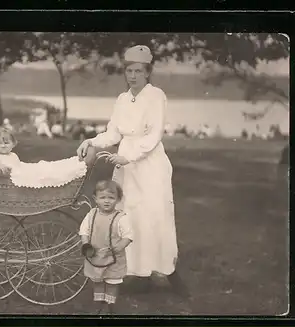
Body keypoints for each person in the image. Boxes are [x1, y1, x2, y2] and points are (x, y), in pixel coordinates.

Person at [76, 45, 188, 296]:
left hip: (149, 164)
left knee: (154, 216)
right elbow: (114, 132)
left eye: (138, 70)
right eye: (129, 70)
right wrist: (92, 141)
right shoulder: (123, 99)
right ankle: (138, 272)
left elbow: (154, 135)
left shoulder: (156, 96)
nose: (133, 75)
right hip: (124, 164)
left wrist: (129, 156)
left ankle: (169, 272)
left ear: (148, 72)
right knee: (129, 217)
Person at [79, 180, 133, 314]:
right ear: (95, 199)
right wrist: (86, 244)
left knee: (112, 281)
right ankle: (98, 302)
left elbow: (129, 235)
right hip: (95, 254)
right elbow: (84, 231)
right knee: (97, 280)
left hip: (112, 256)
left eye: (111, 198)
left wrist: (120, 246)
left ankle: (110, 303)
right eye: (102, 198)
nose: (107, 201)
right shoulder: (91, 215)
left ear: (118, 199)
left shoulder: (120, 218)